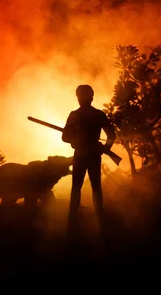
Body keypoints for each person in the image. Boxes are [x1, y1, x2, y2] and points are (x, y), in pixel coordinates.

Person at [62, 84, 116, 232]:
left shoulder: (75, 115)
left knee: (77, 188)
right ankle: (99, 218)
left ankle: (72, 220)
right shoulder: (98, 114)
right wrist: (105, 148)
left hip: (81, 155)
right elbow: (111, 136)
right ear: (91, 97)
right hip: (91, 155)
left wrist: (74, 140)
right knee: (95, 187)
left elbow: (65, 137)